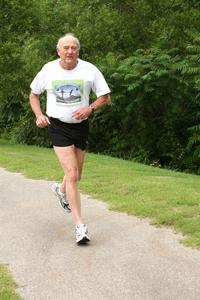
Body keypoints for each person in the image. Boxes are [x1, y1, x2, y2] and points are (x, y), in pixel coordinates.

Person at [29, 33, 111, 244]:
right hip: (58, 126)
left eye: (73, 48)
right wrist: (39, 115)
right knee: (72, 173)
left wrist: (90, 108)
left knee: (76, 176)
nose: (69, 51)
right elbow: (33, 94)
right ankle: (79, 226)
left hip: (80, 126)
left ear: (78, 51)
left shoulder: (90, 70)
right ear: (58, 51)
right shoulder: (48, 70)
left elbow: (105, 97)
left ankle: (60, 189)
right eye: (65, 48)